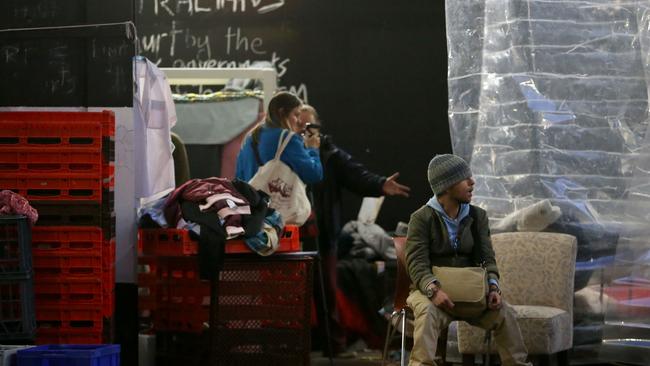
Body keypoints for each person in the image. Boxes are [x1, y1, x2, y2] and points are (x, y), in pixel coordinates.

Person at [295, 104, 411, 356]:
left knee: (327, 291)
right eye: (299, 128)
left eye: (310, 127)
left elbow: (357, 175)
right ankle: (297, 344)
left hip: (323, 233)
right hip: (293, 234)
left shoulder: (330, 155)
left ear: (318, 128)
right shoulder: (287, 154)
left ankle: (332, 345)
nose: (305, 133)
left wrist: (381, 185)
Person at [405, 154, 532, 366]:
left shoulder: (478, 216)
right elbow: (416, 262)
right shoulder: (421, 218)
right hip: (432, 293)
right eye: (465, 179)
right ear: (446, 186)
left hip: (471, 293)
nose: (472, 183)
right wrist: (433, 291)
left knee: (504, 313)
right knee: (427, 313)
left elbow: (487, 258)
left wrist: (493, 287)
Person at [235, 92, 322, 185]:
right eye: (296, 115)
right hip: (275, 198)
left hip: (250, 198)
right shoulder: (288, 139)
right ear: (282, 112)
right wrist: (312, 149)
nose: (298, 121)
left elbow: (239, 177)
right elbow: (313, 174)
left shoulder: (249, 138)